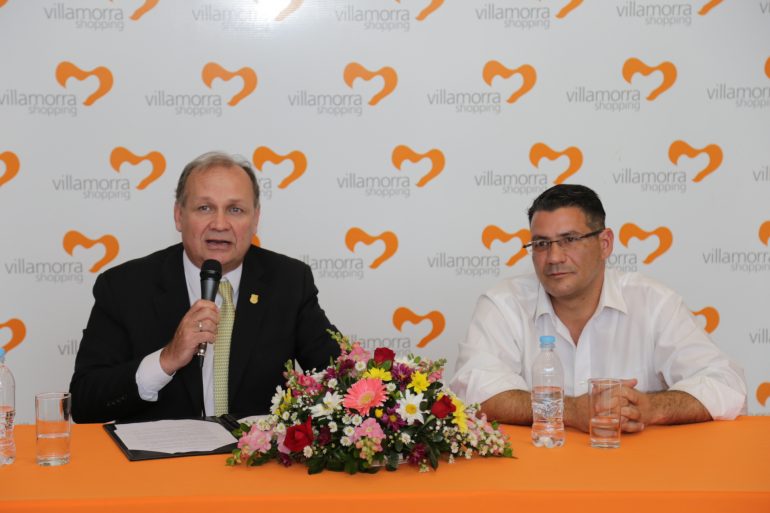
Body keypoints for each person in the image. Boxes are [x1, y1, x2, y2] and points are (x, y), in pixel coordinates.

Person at [450, 184, 746, 432]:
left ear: (605, 244)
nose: (554, 257)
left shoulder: (654, 303)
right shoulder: (503, 304)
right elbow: (473, 391)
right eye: (541, 244)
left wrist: (650, 407)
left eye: (569, 240)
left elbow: (726, 384)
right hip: (536, 473)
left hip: (638, 471)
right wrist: (569, 410)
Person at [70, 151, 340, 423]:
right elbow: (84, 403)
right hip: (163, 451)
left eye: (235, 210)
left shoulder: (289, 282)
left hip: (255, 450)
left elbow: (342, 377)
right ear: (179, 216)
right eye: (204, 208)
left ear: (255, 219)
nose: (220, 224)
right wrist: (166, 360)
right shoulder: (124, 287)